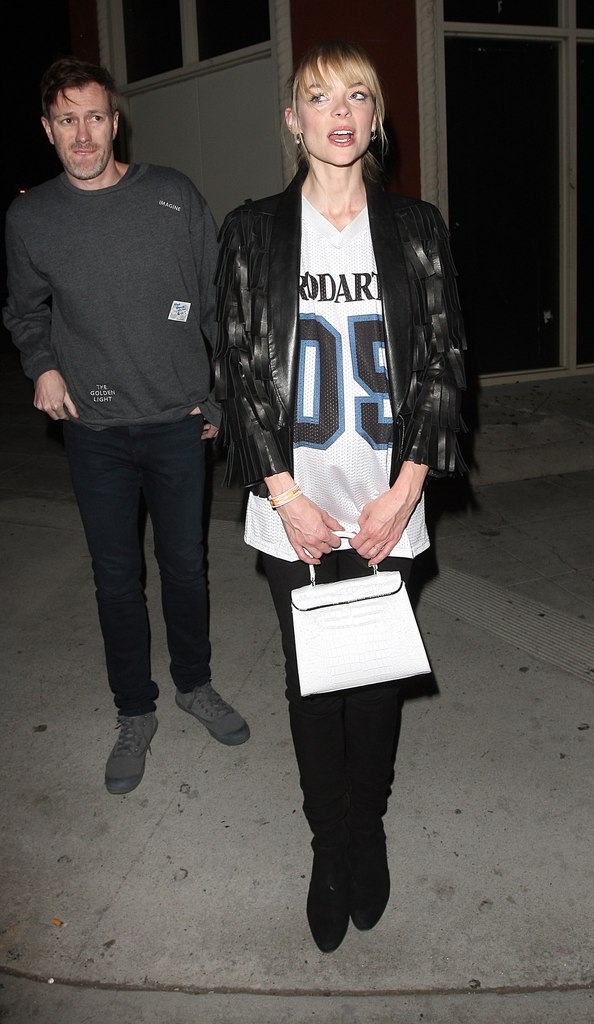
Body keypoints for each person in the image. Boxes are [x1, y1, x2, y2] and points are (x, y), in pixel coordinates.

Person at [215, 39, 466, 952]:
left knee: (377, 684)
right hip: (298, 509)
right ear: (293, 119)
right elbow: (238, 373)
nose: (341, 113)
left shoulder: (416, 228)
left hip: (386, 503)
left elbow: (443, 366)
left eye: (358, 95)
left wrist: (406, 491)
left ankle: (370, 829)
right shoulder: (253, 231)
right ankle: (329, 844)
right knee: (315, 687)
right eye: (320, 97)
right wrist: (286, 497)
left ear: (376, 116)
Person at [3, 57, 249, 796]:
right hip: (95, 430)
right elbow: (25, 311)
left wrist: (220, 400)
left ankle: (194, 684)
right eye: (67, 120)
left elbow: (221, 307)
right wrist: (42, 365)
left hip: (178, 424)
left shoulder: (172, 196)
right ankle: (134, 710)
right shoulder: (30, 219)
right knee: (116, 580)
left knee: (186, 568)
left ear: (115, 122)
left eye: (94, 117)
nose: (83, 134)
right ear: (48, 129)